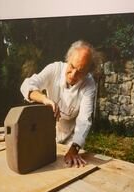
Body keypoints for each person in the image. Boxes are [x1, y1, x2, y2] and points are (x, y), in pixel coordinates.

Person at [20, 40, 98, 168]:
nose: (73, 75)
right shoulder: (54, 69)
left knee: (69, 170)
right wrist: (45, 99)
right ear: (68, 58)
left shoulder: (89, 84)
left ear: (87, 72)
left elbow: (84, 120)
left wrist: (74, 149)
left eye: (80, 71)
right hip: (48, 132)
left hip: (72, 139)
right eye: (72, 66)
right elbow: (27, 85)